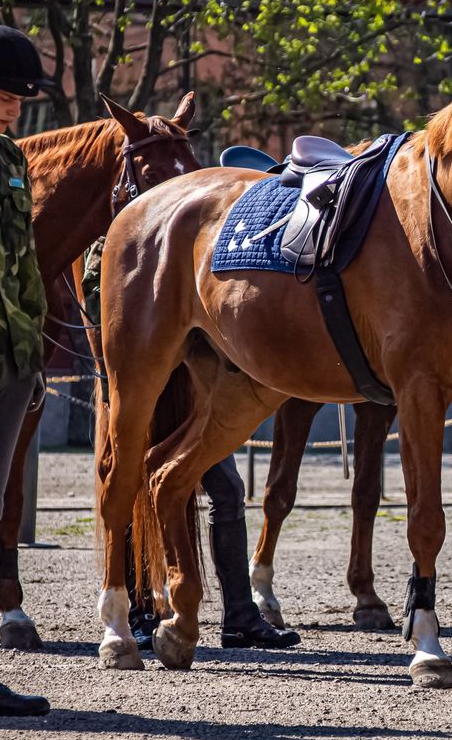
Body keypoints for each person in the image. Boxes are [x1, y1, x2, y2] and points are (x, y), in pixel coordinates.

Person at [81, 224, 299, 656]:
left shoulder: (192, 213)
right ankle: (140, 609)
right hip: (147, 383)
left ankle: (239, 615)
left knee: (228, 488)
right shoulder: (117, 229)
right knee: (129, 478)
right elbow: (97, 299)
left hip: (196, 381)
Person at [0, 23, 53, 717]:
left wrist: (33, 348)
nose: (17, 107)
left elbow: (24, 265)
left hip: (6, 363)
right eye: (6, 95)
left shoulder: (13, 159)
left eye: (23, 98)